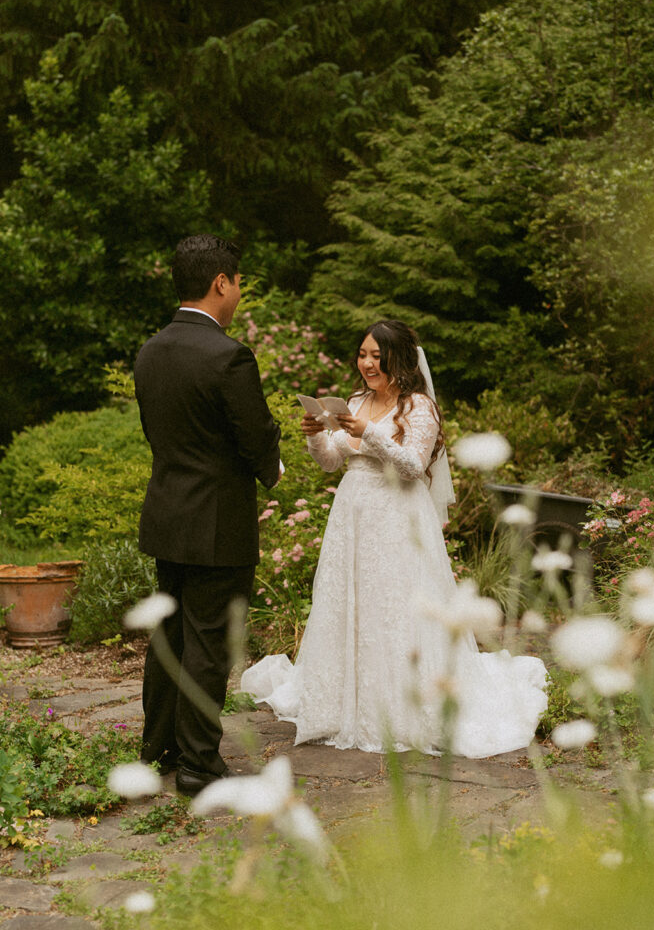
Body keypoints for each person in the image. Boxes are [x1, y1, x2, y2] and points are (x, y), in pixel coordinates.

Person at [241, 320, 547, 757]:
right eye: (363, 354)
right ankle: (345, 701)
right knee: (351, 601)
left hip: (397, 515)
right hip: (353, 512)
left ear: (398, 361)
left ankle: (405, 707)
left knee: (398, 606)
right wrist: (315, 438)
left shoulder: (418, 407)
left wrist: (368, 433)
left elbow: (411, 466)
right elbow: (331, 462)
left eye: (376, 357)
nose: (366, 363)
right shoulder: (354, 400)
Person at [134, 234, 281, 796]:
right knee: (209, 640)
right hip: (218, 523)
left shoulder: (151, 350)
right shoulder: (229, 355)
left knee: (169, 636)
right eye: (238, 282)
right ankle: (198, 764)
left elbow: (160, 434)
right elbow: (253, 434)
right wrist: (274, 466)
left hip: (168, 515)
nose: (239, 292)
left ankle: (160, 751)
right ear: (221, 281)